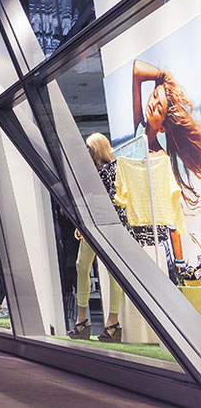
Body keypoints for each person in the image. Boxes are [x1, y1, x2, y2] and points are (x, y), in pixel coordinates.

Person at [70, 133, 133, 343]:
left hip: (109, 225)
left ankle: (112, 322)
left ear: (97, 149)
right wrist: (81, 223)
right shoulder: (92, 172)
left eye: (89, 148)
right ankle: (82, 320)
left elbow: (114, 201)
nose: (86, 152)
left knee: (112, 272)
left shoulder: (112, 169)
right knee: (81, 266)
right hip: (93, 225)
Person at [133, 60, 201, 214]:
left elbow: (168, 209)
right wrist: (164, 77)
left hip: (150, 229)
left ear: (162, 128)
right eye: (155, 96)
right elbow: (137, 69)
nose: (153, 104)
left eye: (159, 109)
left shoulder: (160, 157)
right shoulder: (139, 130)